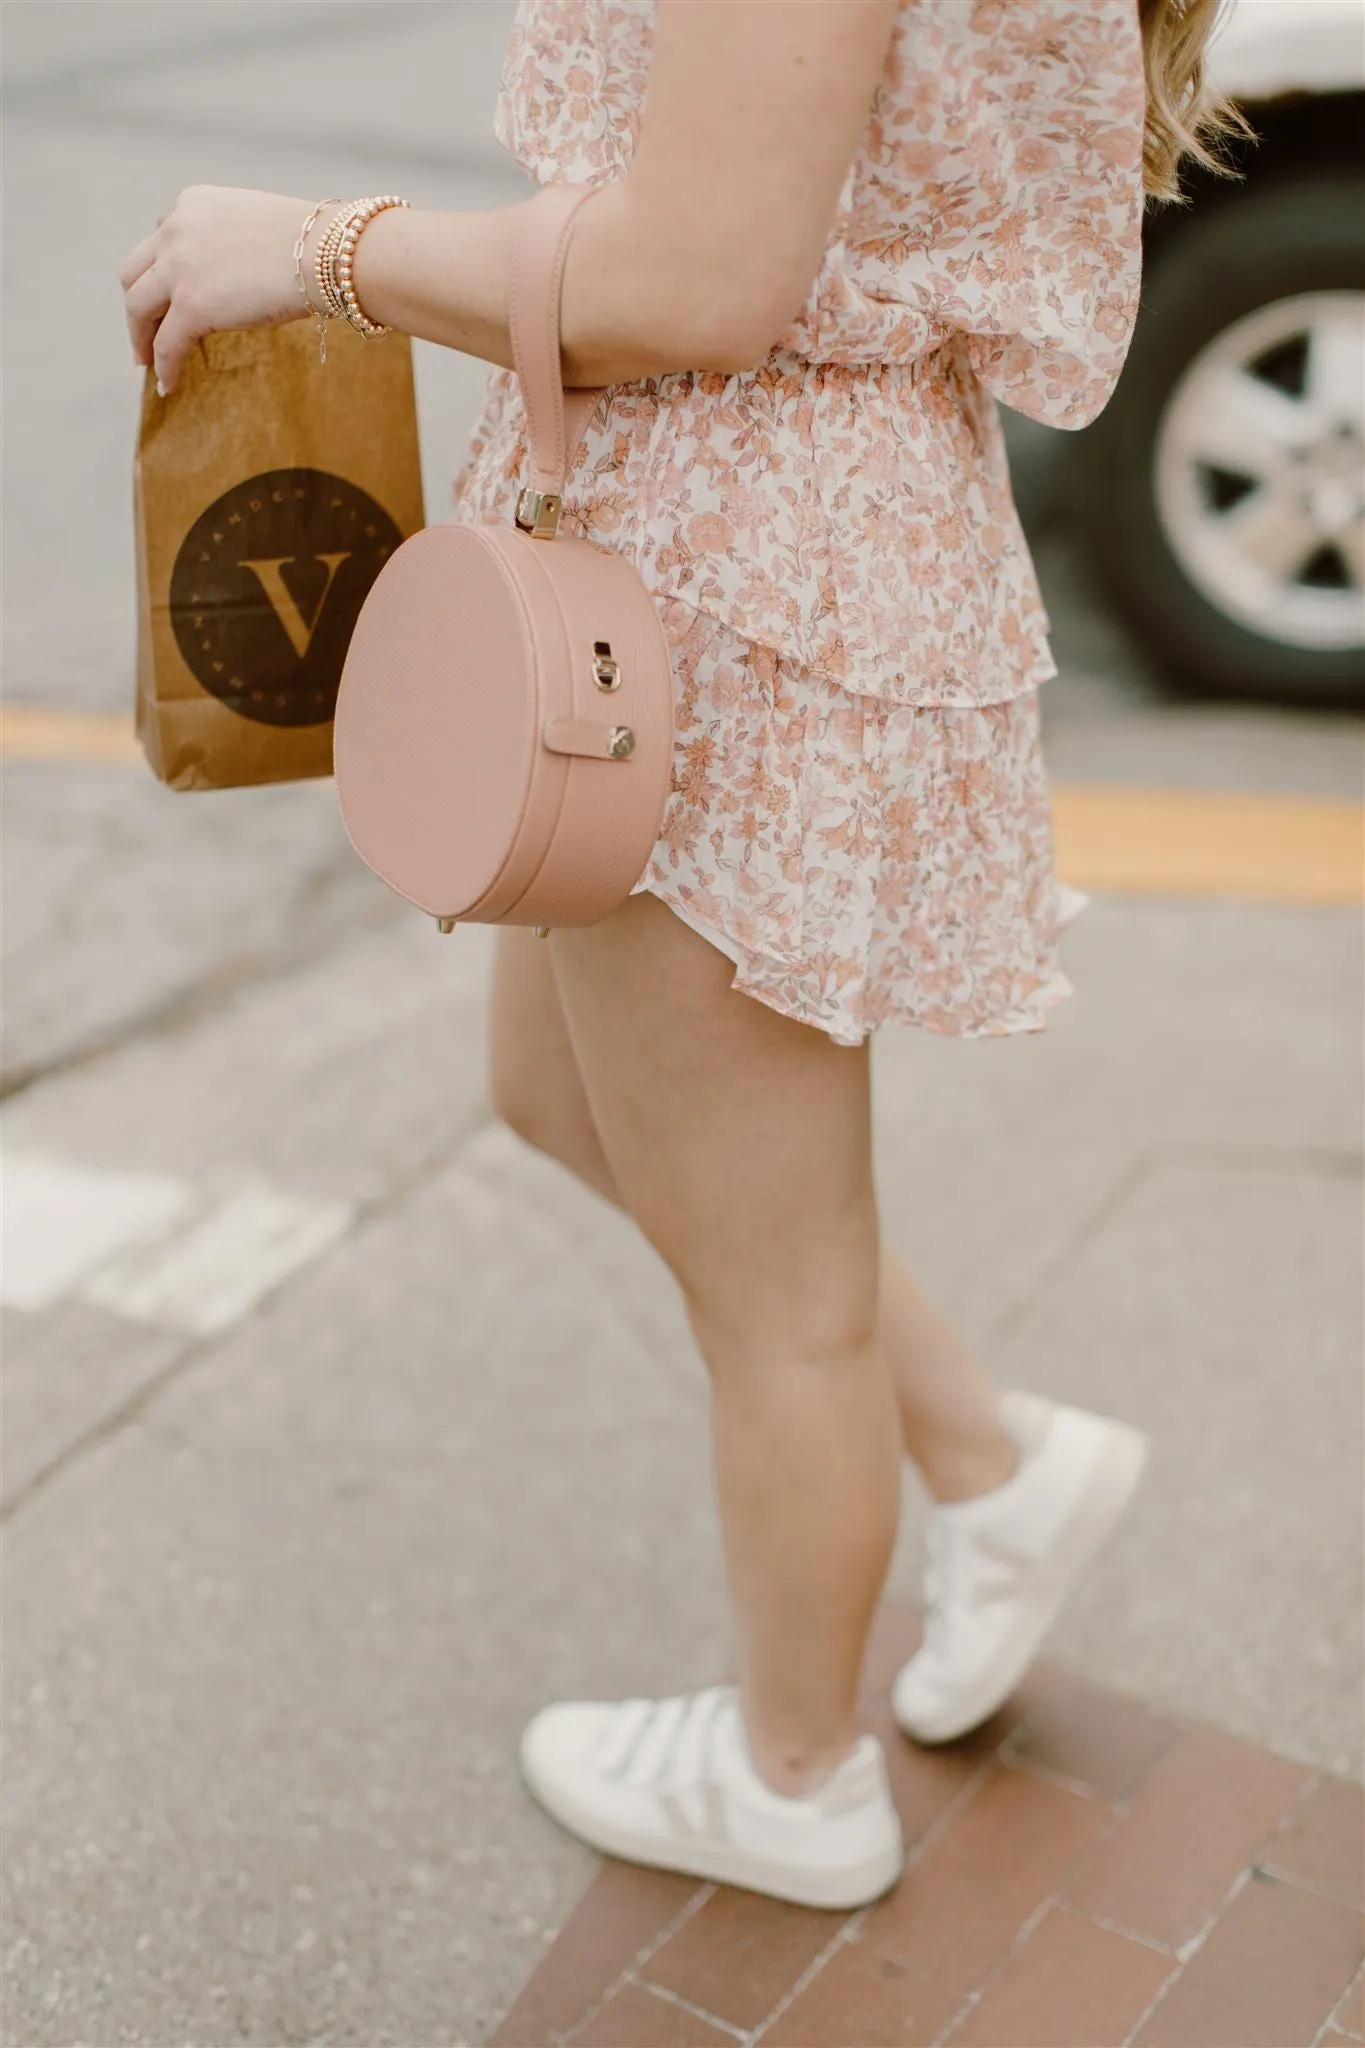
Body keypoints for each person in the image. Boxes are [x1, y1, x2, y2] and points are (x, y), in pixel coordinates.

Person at [121, 0, 1239, 1912]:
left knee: (780, 1295)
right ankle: (993, 1467)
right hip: (695, 532)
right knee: (566, 1097)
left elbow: (697, 278)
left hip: (733, 583)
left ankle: (792, 1776)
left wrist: (317, 251)